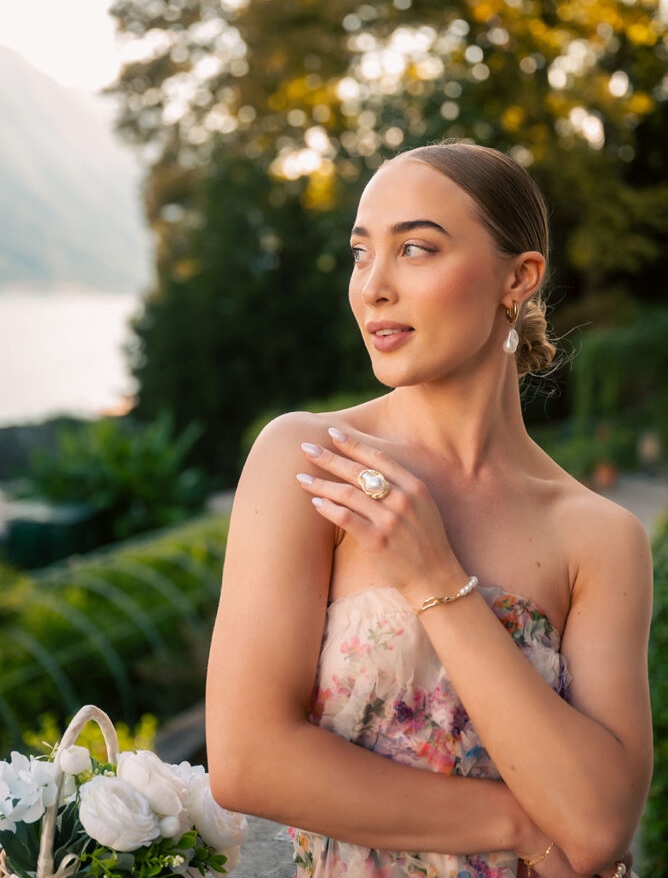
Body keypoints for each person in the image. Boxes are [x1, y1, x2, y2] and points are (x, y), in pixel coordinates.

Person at [205, 140, 653, 878]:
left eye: (415, 248)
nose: (373, 286)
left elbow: (601, 825)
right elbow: (249, 759)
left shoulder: (601, 537)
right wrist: (517, 822)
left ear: (519, 277)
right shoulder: (311, 460)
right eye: (359, 253)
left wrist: (432, 576)